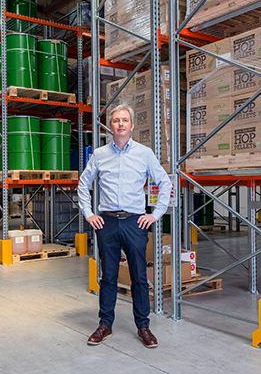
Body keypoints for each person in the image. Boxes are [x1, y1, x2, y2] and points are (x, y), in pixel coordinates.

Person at [78, 103, 172, 348]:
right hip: (107, 222)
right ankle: (105, 324)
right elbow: (83, 185)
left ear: (132, 125)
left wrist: (155, 214)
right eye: (116, 120)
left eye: (124, 120)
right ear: (110, 126)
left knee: (139, 277)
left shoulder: (144, 154)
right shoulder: (99, 154)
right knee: (108, 277)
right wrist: (89, 214)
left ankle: (143, 326)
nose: (120, 124)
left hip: (134, 222)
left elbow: (165, 182)